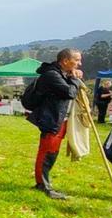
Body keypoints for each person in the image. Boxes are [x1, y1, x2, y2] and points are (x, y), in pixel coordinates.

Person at [28, 49, 83, 199]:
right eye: (77, 60)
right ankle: (43, 186)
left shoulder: (63, 73)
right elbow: (70, 93)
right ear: (65, 61)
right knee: (47, 152)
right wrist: (75, 79)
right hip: (51, 119)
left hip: (59, 119)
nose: (79, 64)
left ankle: (43, 183)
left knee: (52, 153)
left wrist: (72, 76)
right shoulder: (52, 75)